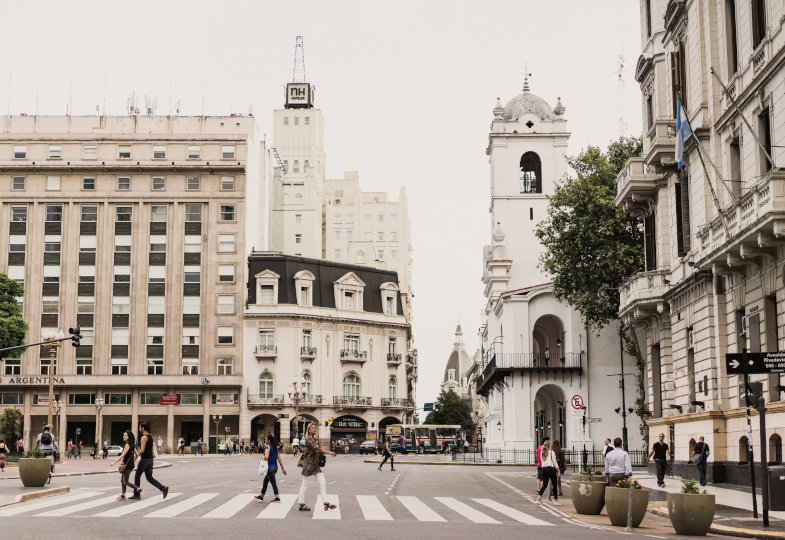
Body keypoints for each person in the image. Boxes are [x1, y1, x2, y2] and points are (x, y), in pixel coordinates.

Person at [297, 422, 337, 513]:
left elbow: (318, 451)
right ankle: (301, 503)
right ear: (309, 430)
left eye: (315, 428)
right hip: (308, 465)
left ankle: (326, 502)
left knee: (322, 482)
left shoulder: (315, 439)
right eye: (312, 428)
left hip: (315, 465)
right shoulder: (308, 439)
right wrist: (330, 452)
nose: (314, 429)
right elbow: (317, 450)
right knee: (305, 484)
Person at [130, 422, 169, 500]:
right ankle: (163, 488)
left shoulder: (144, 437)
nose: (139, 429)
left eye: (140, 427)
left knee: (137, 476)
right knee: (149, 478)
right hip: (150, 460)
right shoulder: (150, 436)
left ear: (143, 428)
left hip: (144, 460)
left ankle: (136, 494)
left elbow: (142, 450)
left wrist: (134, 455)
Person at [256, 434, 287, 501]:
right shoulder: (275, 448)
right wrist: (283, 469)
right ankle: (261, 496)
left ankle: (277, 497)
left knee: (273, 482)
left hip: (270, 468)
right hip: (275, 467)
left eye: (266, 439)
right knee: (265, 481)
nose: (265, 440)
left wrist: (262, 456)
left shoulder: (268, 447)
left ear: (269, 440)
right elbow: (279, 460)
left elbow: (266, 457)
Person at [110, 430, 139, 500]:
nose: (123, 436)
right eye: (123, 435)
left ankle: (139, 489)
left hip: (127, 465)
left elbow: (122, 456)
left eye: (125, 435)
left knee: (126, 481)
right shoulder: (132, 444)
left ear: (128, 436)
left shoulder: (127, 444)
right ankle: (123, 495)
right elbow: (137, 454)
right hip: (129, 464)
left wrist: (114, 462)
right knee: (122, 480)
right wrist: (133, 460)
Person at [535, 440, 561, 505]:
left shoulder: (542, 452)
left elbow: (541, 461)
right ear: (550, 445)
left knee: (544, 485)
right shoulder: (552, 452)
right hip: (551, 469)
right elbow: (554, 462)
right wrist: (558, 470)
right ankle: (556, 500)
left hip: (544, 469)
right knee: (554, 484)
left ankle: (539, 497)